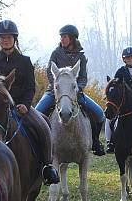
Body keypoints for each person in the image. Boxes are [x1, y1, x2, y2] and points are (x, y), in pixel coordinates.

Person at [0, 20, 59, 185]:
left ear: (14, 39)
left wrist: (25, 103)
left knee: (42, 126)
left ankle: (47, 167)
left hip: (20, 106)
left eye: (8, 37)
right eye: (2, 37)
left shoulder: (25, 61)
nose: (5, 40)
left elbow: (30, 87)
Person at [36, 24, 106, 156]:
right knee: (36, 114)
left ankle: (95, 142)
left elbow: (83, 77)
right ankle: (39, 148)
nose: (62, 39)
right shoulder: (55, 53)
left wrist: (78, 89)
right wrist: (57, 88)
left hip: (75, 93)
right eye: (61, 37)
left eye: (65, 36)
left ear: (73, 38)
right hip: (54, 92)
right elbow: (50, 72)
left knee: (99, 113)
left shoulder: (81, 56)